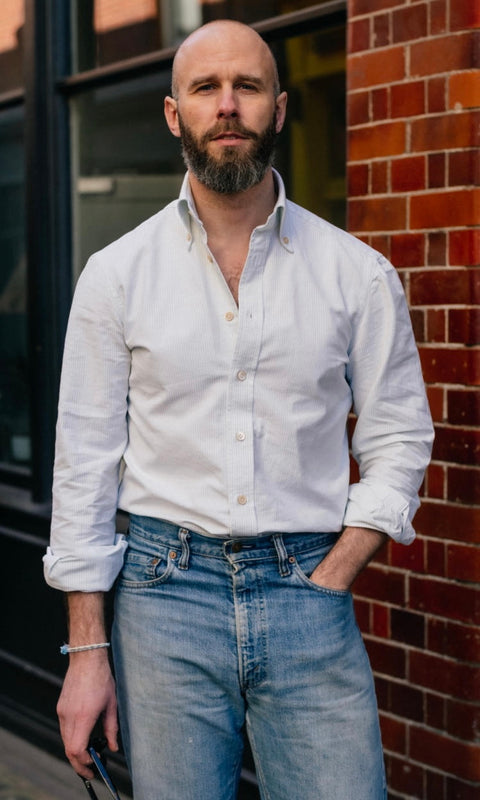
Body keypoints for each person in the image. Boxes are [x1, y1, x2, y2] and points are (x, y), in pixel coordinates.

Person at [44, 19, 433, 800]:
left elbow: (399, 435)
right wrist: (87, 654)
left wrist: (338, 569)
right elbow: (83, 466)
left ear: (279, 109)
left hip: (308, 591)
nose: (227, 106)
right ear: (173, 113)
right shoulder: (115, 276)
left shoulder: (357, 275)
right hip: (164, 598)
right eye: (206, 89)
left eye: (247, 87)